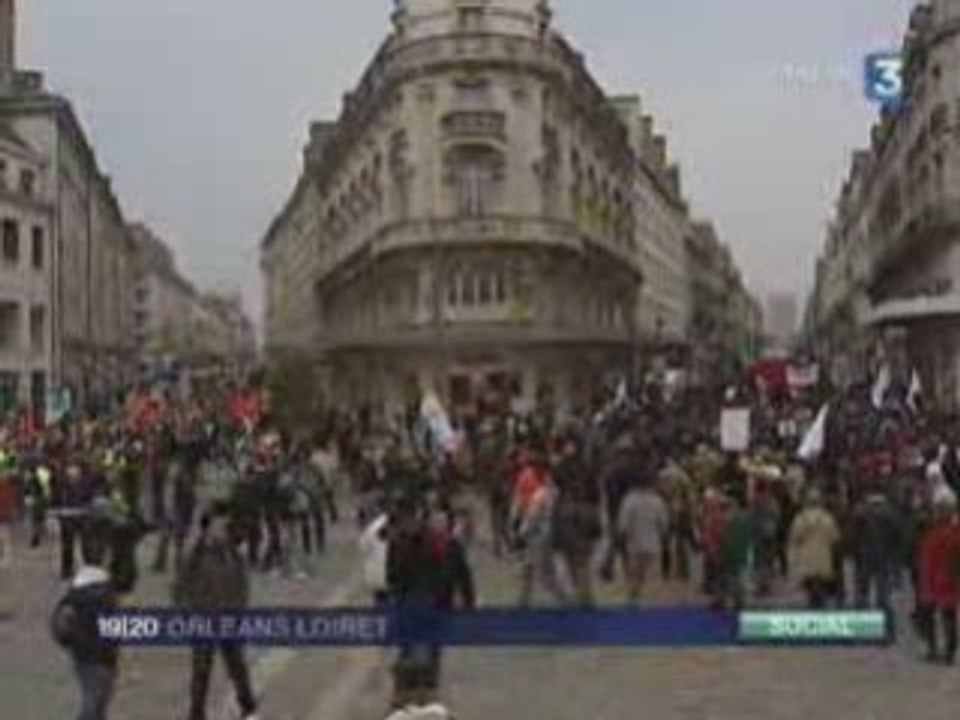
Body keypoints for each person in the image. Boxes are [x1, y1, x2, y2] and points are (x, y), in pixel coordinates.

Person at [387, 494, 475, 709]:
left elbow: (462, 577)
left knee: (424, 650)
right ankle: (413, 692)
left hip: (431, 605)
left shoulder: (446, 545)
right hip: (418, 605)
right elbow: (393, 576)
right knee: (417, 649)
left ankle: (418, 692)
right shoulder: (404, 542)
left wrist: (467, 604)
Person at [174, 506, 259, 720]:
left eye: (223, 524)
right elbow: (180, 587)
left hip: (228, 617)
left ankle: (248, 707)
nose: (221, 528)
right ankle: (196, 713)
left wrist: (240, 613)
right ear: (207, 527)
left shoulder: (233, 552)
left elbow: (242, 584)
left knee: (237, 667)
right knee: (201, 669)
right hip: (203, 619)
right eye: (217, 524)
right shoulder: (194, 555)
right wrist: (186, 614)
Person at [51, 540, 119, 720]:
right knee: (95, 703)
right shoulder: (104, 591)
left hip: (84, 655)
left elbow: (60, 623)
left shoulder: (76, 590)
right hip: (101, 656)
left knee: (97, 701)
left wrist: (71, 641)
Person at [916, 491, 960, 664]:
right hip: (936, 578)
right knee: (940, 615)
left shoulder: (946, 532)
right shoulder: (935, 529)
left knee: (943, 616)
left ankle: (943, 650)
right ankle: (940, 649)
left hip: (942, 578)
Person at [617, 473, 669, 604]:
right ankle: (649, 606)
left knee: (634, 580)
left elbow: (623, 526)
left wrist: (622, 545)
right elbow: (664, 525)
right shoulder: (657, 501)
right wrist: (664, 542)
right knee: (652, 581)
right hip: (653, 545)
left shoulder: (629, 500)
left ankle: (633, 604)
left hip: (634, 546)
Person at [788, 488, 840, 608]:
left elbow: (794, 537)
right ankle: (819, 601)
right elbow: (835, 537)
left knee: (809, 581)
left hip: (807, 556)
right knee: (821, 581)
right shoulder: (827, 518)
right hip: (823, 556)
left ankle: (812, 600)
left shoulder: (801, 518)